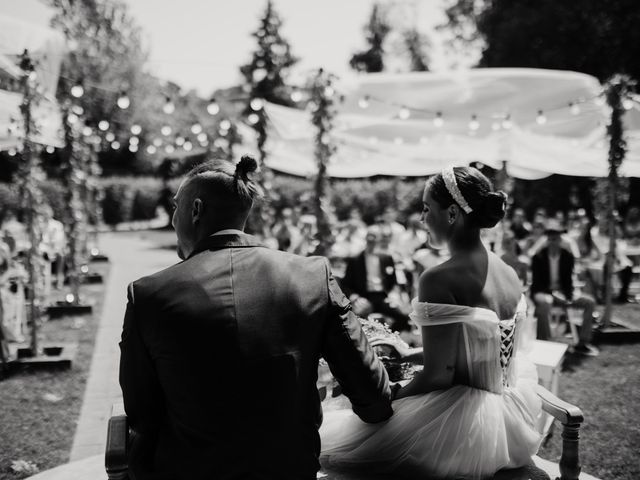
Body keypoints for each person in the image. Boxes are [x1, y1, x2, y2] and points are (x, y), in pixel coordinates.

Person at [119, 156, 393, 480]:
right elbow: (373, 399)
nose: (174, 217)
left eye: (175, 207)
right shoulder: (311, 276)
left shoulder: (149, 295)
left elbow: (141, 416)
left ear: (195, 210)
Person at [321, 166, 542, 479]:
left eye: (426, 209)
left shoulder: (439, 278)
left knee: (339, 440)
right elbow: (480, 350)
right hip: (509, 420)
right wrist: (409, 354)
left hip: (461, 431)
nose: (422, 219)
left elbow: (440, 375)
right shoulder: (507, 272)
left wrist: (393, 395)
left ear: (452, 213)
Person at [530, 219, 599, 355]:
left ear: (560, 239)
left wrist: (567, 296)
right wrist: (553, 293)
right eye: (550, 239)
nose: (552, 242)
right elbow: (537, 283)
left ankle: (582, 343)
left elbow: (568, 281)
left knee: (589, 302)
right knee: (546, 303)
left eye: (555, 239)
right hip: (544, 292)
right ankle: (545, 343)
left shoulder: (567, 257)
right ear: (547, 240)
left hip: (563, 293)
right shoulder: (538, 257)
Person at [340, 225, 410, 332]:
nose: (371, 242)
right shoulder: (355, 259)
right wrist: (355, 297)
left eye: (374, 238)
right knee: (353, 321)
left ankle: (389, 340)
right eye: (369, 238)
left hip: (383, 296)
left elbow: (393, 282)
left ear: (379, 240)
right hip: (364, 296)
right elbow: (345, 284)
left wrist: (393, 296)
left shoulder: (386, 258)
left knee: (404, 317)